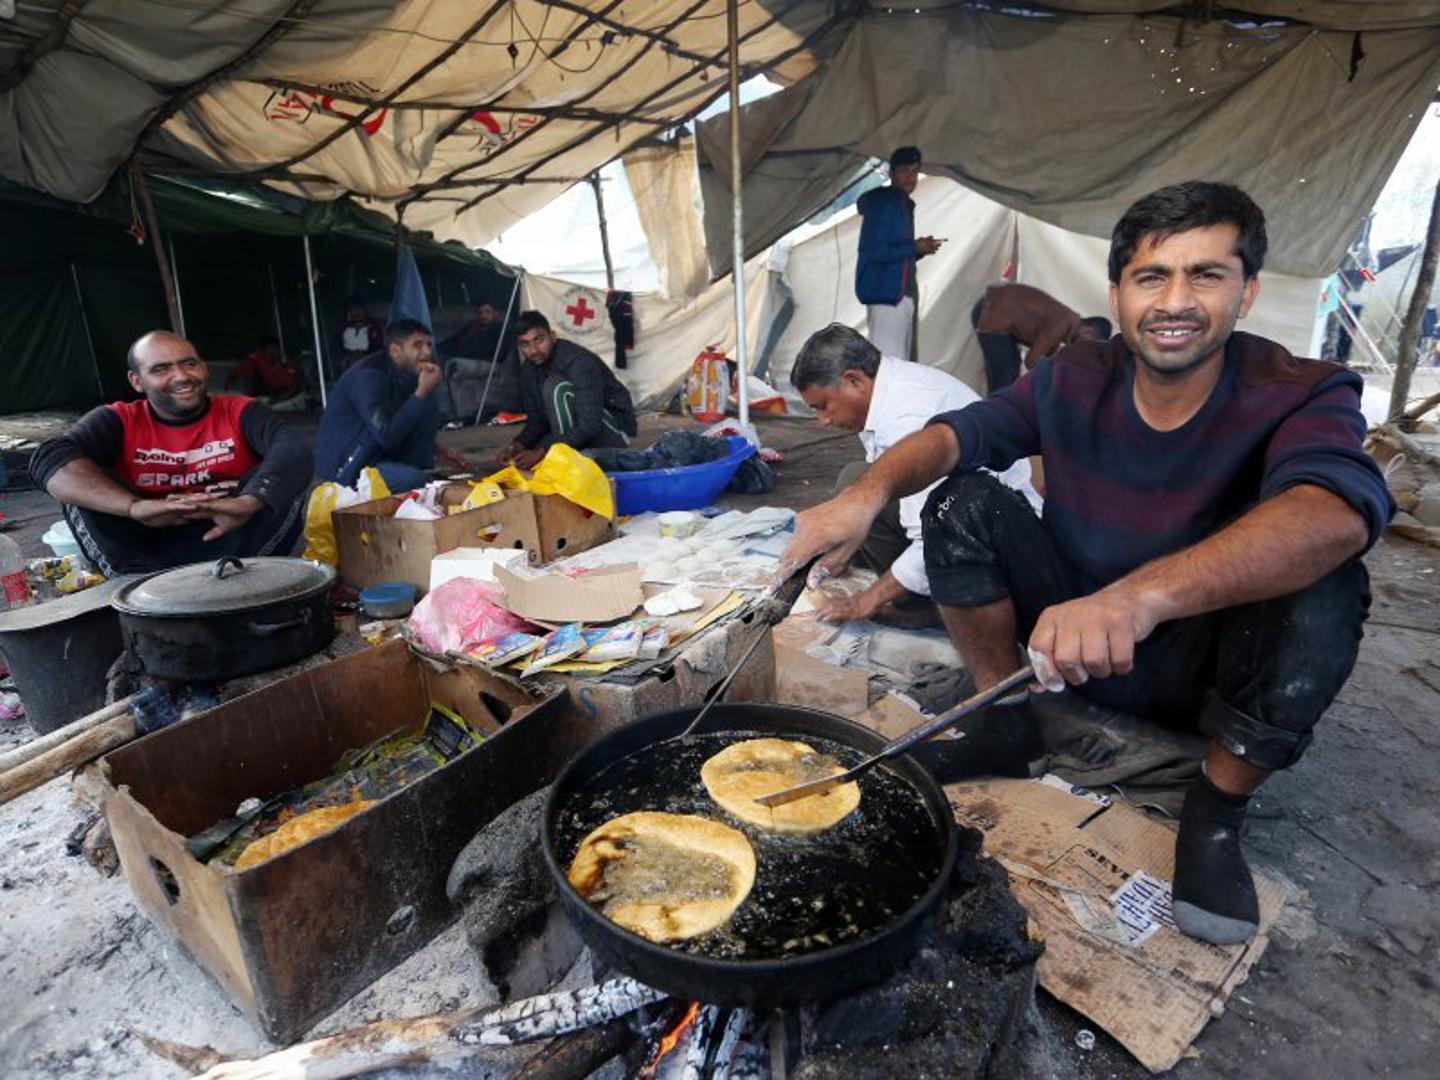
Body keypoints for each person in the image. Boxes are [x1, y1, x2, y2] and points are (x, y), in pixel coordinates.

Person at [782, 182, 1393, 947]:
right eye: (1151, 277)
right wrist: (864, 496)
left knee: (1329, 580)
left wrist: (1139, 598)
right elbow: (961, 434)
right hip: (1063, 646)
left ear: (1248, 290)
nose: (1175, 301)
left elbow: (1335, 512)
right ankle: (1003, 722)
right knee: (959, 501)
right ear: (1117, 291)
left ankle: (1215, 809)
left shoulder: (1300, 391)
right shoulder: (1074, 375)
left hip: (1200, 665)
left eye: (1205, 275)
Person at [790, 324, 1040, 626]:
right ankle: (920, 595)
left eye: (823, 406)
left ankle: (938, 608)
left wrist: (865, 601)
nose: (823, 421)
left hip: (1006, 534)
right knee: (855, 481)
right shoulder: (884, 387)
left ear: (854, 380)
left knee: (869, 495)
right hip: (974, 509)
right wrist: (844, 543)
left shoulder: (906, 417)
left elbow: (931, 538)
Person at [31, 331, 312, 576]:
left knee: (285, 478)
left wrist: (248, 502)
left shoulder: (240, 410)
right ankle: (133, 590)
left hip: (235, 538)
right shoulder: (119, 419)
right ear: (137, 381)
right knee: (78, 486)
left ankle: (251, 580)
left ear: (203, 368)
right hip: (146, 552)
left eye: (190, 364)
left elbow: (291, 448)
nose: (181, 377)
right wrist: (134, 507)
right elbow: (49, 459)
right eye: (161, 369)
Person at [314, 318, 467, 492]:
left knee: (427, 401)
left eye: (429, 345)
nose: (427, 352)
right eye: (417, 345)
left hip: (378, 452)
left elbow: (401, 417)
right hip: (349, 466)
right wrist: (420, 393)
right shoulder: (369, 377)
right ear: (395, 350)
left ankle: (418, 468)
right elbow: (387, 435)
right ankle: (413, 476)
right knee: (418, 482)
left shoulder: (405, 372)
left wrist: (439, 449)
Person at [498, 311, 637, 470]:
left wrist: (542, 451)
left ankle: (570, 462)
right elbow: (537, 421)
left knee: (557, 389)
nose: (534, 350)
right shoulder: (529, 369)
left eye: (539, 339)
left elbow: (589, 424)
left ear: (553, 336)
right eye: (525, 344)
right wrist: (518, 444)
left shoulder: (579, 363)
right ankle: (565, 456)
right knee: (528, 455)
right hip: (582, 428)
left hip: (615, 431)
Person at [855, 146, 944, 362]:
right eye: (905, 170)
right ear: (891, 173)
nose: (911, 178)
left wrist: (919, 251)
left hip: (898, 294)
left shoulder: (900, 203)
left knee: (897, 363)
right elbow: (875, 250)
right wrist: (914, 247)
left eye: (915, 172)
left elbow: (891, 253)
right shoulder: (885, 203)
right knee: (890, 364)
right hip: (888, 296)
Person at [971, 284, 1112, 392]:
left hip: (992, 310)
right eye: (1088, 345)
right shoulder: (1062, 322)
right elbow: (1031, 361)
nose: (1082, 351)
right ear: (1088, 331)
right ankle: (993, 423)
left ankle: (992, 419)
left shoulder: (1064, 325)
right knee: (1005, 380)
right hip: (992, 313)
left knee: (1006, 376)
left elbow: (1043, 357)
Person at [225, 334, 300, 400]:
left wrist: (277, 365)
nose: (273, 351)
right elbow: (236, 372)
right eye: (270, 347)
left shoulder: (286, 362)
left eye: (275, 347)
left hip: (283, 396)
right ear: (264, 349)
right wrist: (229, 382)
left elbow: (290, 383)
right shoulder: (255, 360)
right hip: (262, 397)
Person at [338, 298, 384, 370]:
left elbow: (378, 348)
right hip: (347, 359)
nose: (356, 313)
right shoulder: (344, 328)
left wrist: (363, 355)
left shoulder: (373, 328)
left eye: (359, 309)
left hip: (366, 359)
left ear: (365, 310)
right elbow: (338, 346)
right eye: (353, 310)